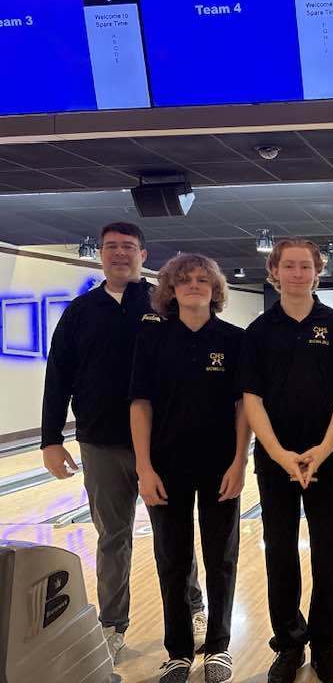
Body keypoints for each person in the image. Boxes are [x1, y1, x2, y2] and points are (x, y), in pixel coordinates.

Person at [41, 221, 205, 663]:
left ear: (143, 255)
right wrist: (50, 439)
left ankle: (193, 610)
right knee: (113, 537)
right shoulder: (80, 312)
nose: (119, 254)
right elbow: (58, 375)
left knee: (173, 534)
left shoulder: (164, 306)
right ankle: (112, 625)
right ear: (100, 254)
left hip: (161, 443)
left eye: (128, 247)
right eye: (111, 247)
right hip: (101, 442)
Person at [241, 238, 333, 683]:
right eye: (288, 266)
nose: (296, 273)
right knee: (281, 553)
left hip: (326, 457)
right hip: (276, 461)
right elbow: (251, 398)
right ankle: (289, 644)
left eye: (304, 266)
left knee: (328, 552)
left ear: (316, 271)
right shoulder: (259, 331)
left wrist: (324, 450)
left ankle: (326, 644)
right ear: (274, 271)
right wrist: (278, 454)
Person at [130, 254, 248, 683]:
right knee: (172, 559)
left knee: (222, 559)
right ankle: (178, 650)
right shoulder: (153, 339)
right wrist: (144, 467)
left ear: (215, 290)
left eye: (203, 280)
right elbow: (140, 405)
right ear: (171, 290)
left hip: (220, 465)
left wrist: (239, 461)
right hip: (166, 465)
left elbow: (242, 408)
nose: (194, 285)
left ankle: (218, 647)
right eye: (185, 280)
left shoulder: (234, 340)